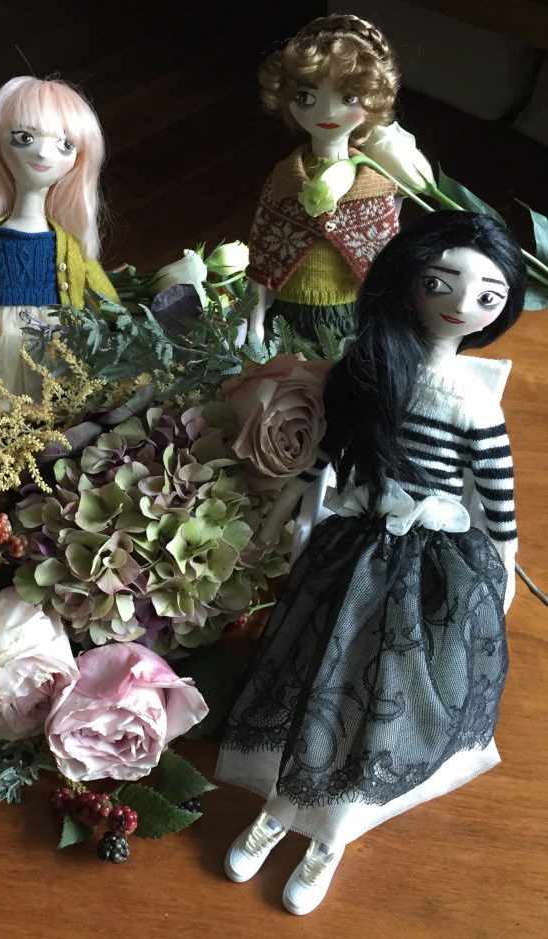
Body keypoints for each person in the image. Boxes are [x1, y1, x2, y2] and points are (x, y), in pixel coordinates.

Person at [217, 211, 525, 914]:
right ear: (406, 281)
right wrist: (276, 524)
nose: (461, 303)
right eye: (440, 283)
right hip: (352, 548)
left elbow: (498, 511)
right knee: (317, 676)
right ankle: (279, 809)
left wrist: (499, 579)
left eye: (486, 295)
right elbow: (320, 463)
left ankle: (330, 835)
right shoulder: (372, 373)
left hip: (427, 570)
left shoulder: (477, 409)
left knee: (380, 700)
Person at [0, 76, 118, 400]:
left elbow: (101, 295)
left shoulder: (68, 245)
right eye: (24, 137)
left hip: (57, 345)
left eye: (65, 145)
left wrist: (124, 331)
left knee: (57, 408)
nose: (43, 153)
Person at [247, 13, 401, 347]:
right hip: (287, 319)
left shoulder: (374, 187)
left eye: (348, 99)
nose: (328, 113)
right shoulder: (283, 181)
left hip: (349, 319)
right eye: (306, 97)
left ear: (373, 100)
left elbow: (385, 266)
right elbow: (260, 261)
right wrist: (254, 324)